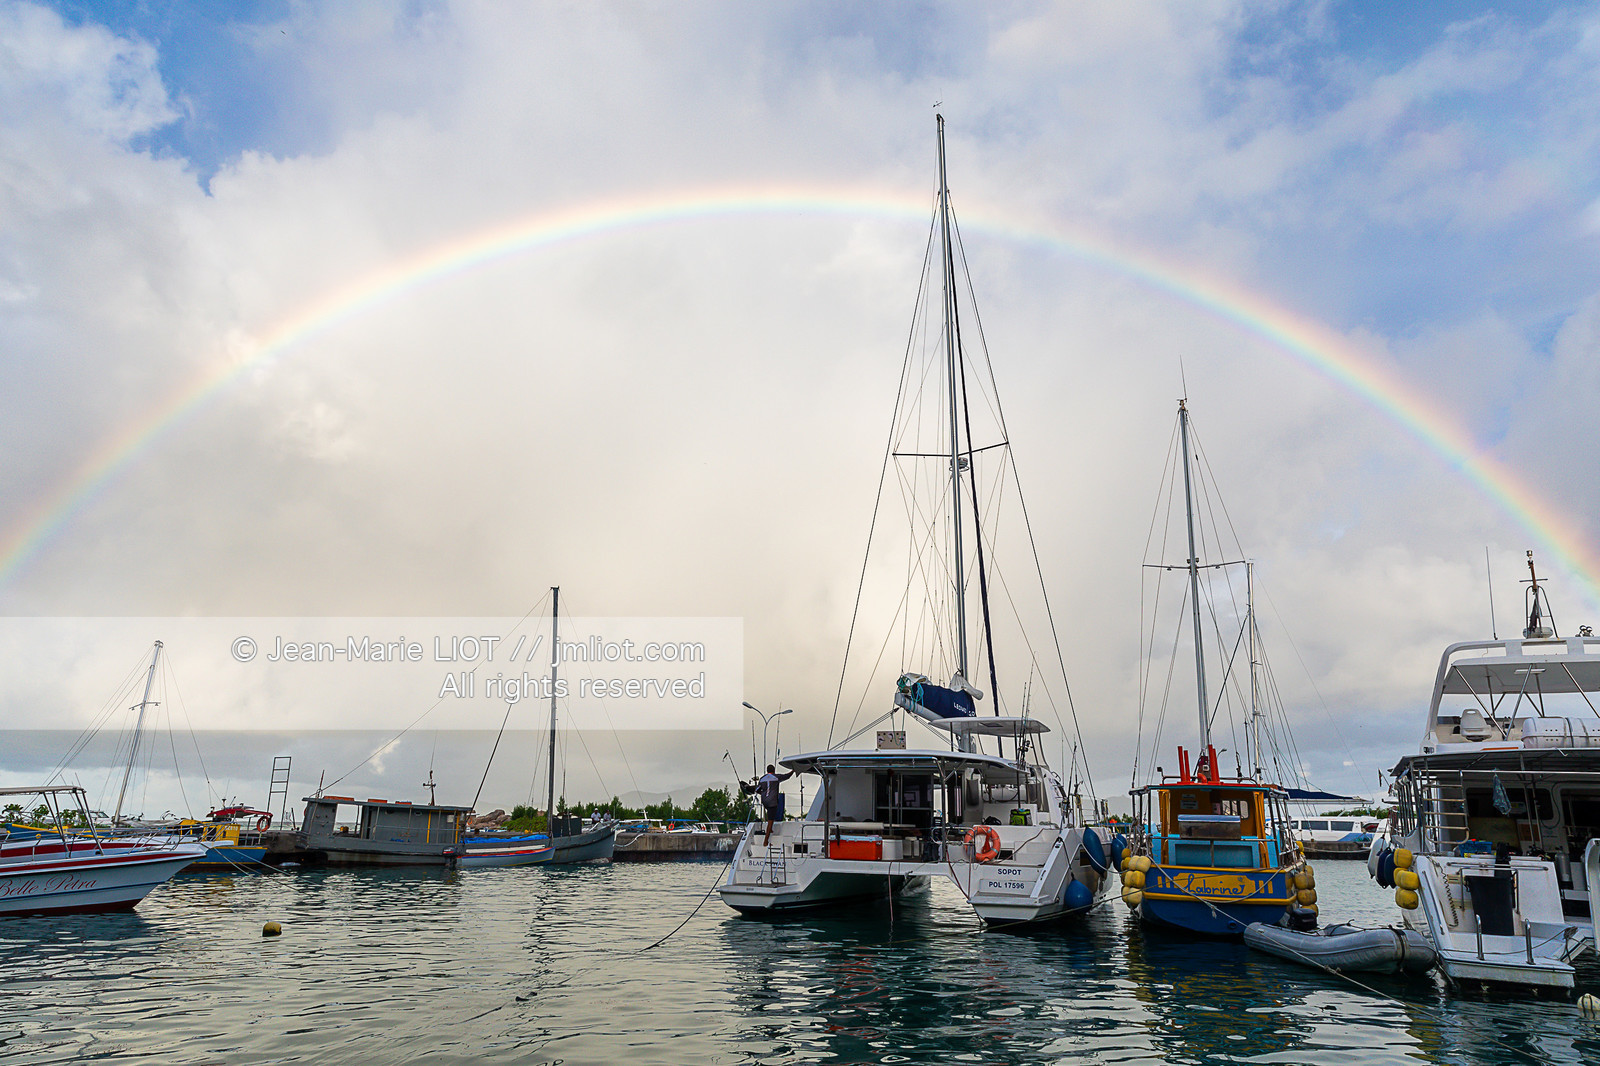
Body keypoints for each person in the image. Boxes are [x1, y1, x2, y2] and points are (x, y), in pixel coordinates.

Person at [755, 764, 794, 843]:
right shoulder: (776, 777)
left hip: (765, 801)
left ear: (767, 771)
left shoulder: (762, 778)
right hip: (772, 802)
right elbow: (787, 776)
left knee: (770, 813)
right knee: (770, 820)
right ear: (774, 770)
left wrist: (762, 794)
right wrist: (793, 770)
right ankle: (766, 840)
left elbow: (757, 789)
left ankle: (771, 829)